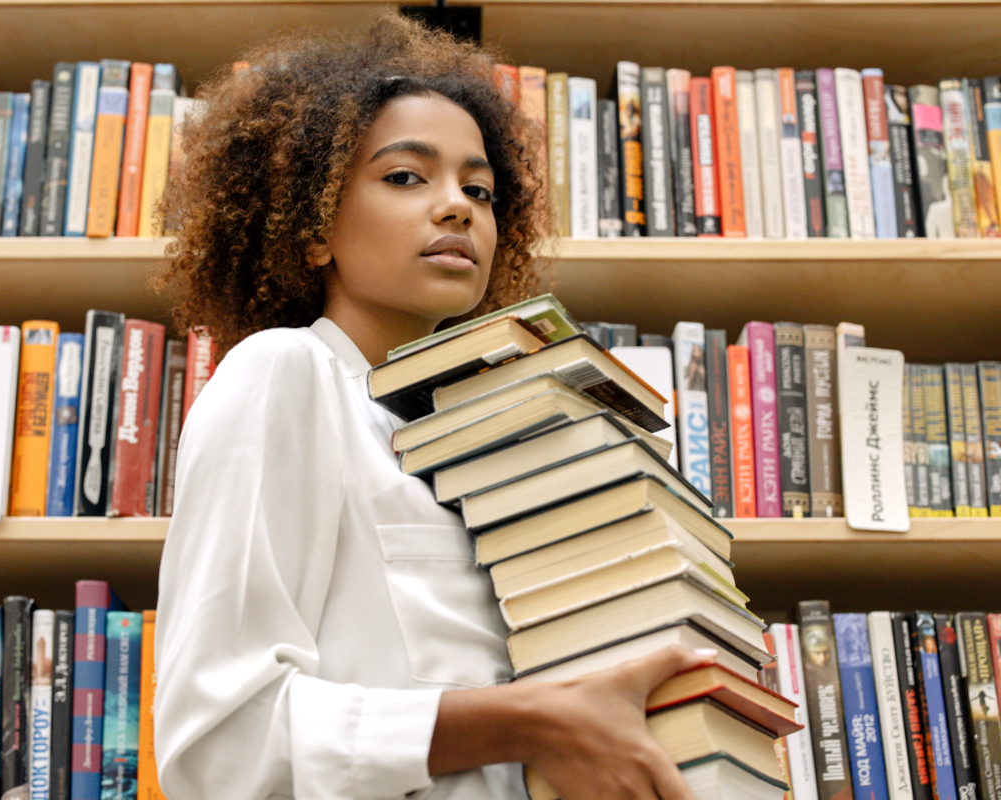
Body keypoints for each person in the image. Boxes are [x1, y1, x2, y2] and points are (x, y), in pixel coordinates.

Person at [152, 15, 715, 800]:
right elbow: (220, 745)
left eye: (479, 189)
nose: (457, 207)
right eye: (407, 177)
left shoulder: (482, 439)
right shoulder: (286, 376)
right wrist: (528, 721)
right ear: (314, 229)